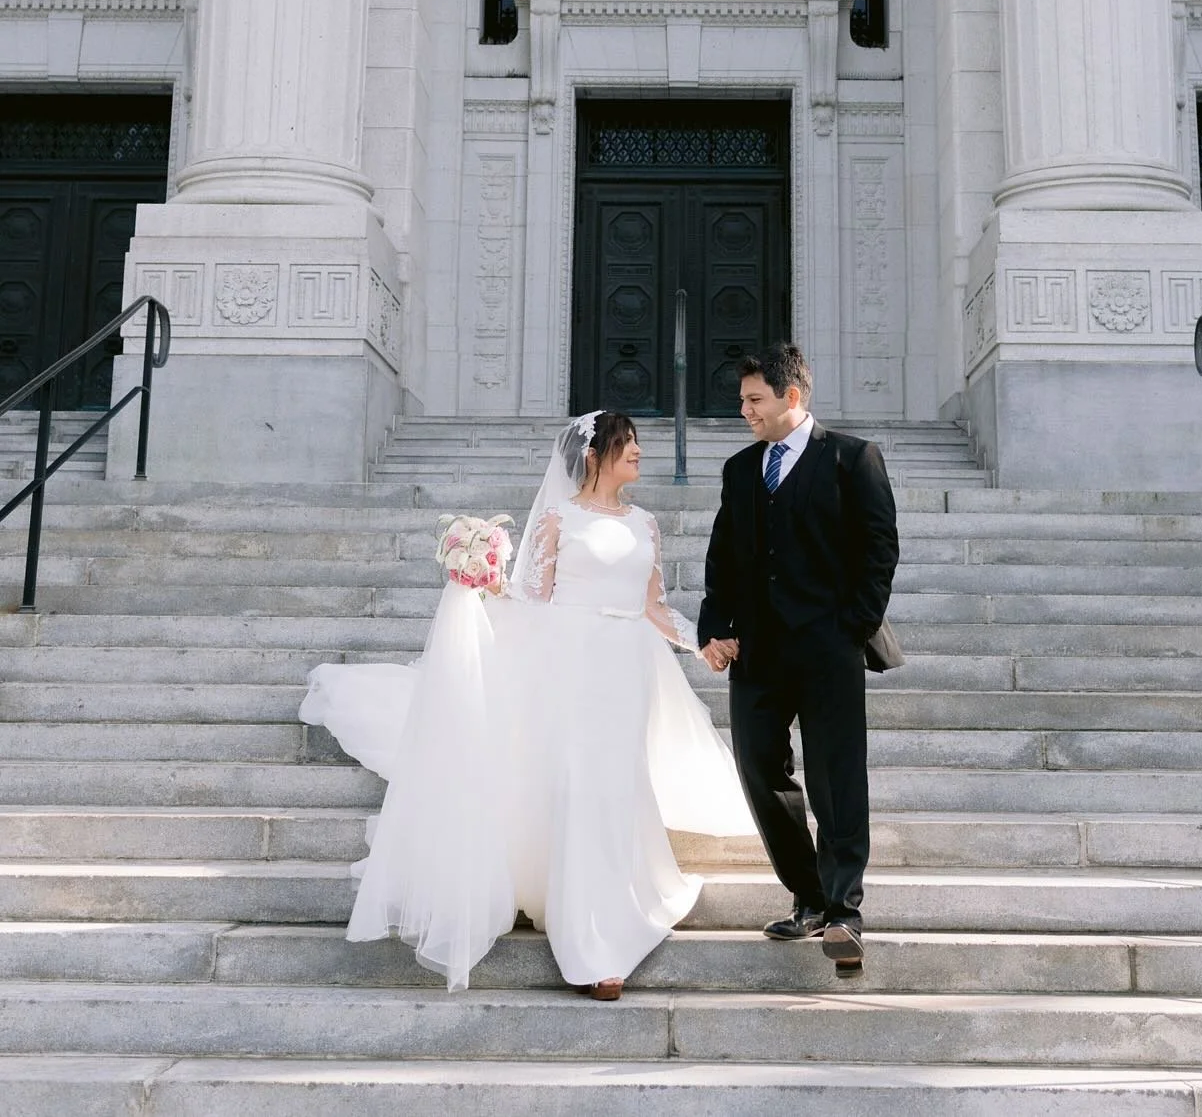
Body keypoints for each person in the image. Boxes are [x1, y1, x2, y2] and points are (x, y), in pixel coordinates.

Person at [300, 410, 754, 997]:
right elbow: (530, 598)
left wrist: (701, 644)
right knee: (578, 785)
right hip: (570, 664)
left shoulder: (646, 523)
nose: (640, 451)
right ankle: (591, 944)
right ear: (594, 456)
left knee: (617, 783)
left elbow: (654, 606)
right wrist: (483, 578)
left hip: (628, 668)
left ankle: (619, 899)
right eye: (629, 443)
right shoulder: (559, 519)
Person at [697, 343, 898, 978]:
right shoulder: (739, 469)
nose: (745, 412)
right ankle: (808, 894)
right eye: (742, 402)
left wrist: (852, 628)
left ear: (793, 396)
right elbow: (723, 556)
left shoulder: (851, 458)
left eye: (755, 400)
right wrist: (715, 624)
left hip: (829, 647)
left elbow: (878, 549)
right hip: (758, 650)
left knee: (838, 777)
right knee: (759, 767)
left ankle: (844, 910)